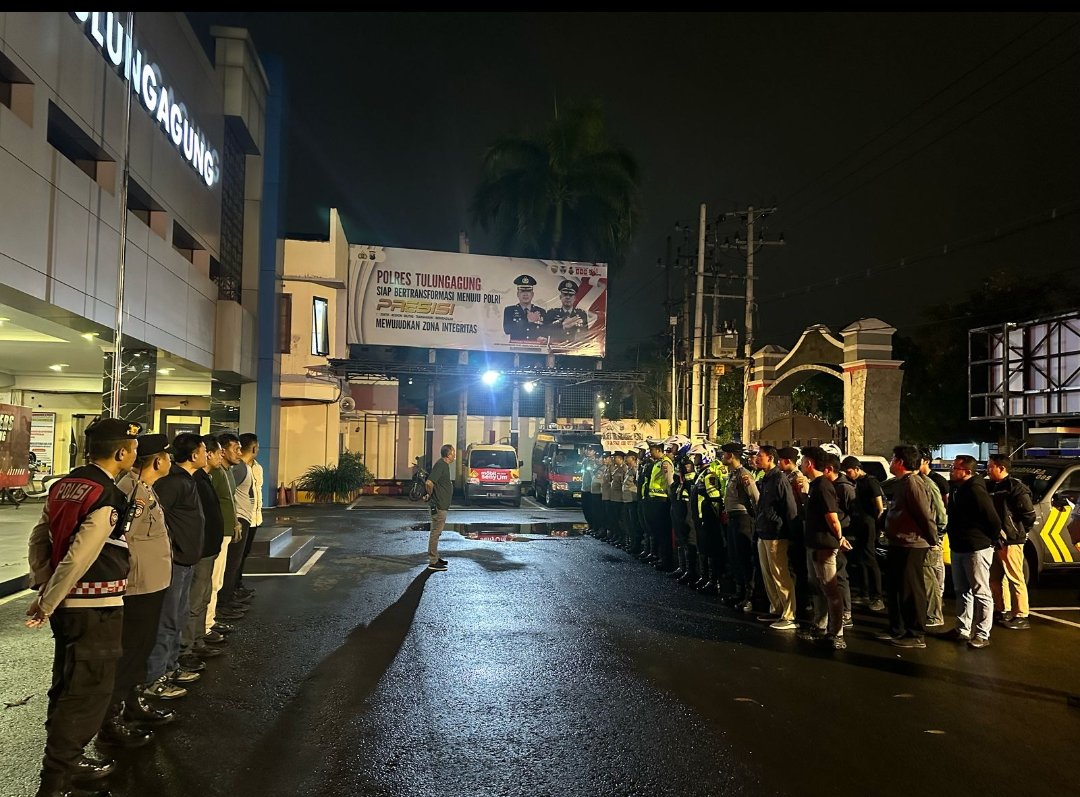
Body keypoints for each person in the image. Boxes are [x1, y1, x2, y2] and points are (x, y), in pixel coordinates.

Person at [26, 416, 141, 797]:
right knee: (87, 691)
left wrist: (45, 587)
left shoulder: (64, 484)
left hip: (68, 608)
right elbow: (81, 555)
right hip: (96, 605)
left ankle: (64, 766)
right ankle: (57, 780)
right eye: (133, 448)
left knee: (66, 683)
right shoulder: (107, 495)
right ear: (121, 451)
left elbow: (39, 538)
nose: (135, 453)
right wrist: (48, 600)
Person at [99, 433, 176, 751]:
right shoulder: (131, 492)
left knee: (140, 649)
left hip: (151, 583)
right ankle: (111, 720)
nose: (169, 462)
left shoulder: (143, 489)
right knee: (129, 651)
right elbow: (119, 537)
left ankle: (133, 703)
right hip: (138, 585)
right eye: (167, 456)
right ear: (158, 461)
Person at [145, 433, 206, 700]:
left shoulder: (184, 480)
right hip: (175, 562)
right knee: (166, 621)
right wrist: (175, 548)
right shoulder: (173, 484)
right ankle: (155, 678)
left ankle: (169, 669)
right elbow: (156, 521)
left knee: (176, 619)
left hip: (184, 561)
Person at [878, 445, 936, 649]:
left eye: (893, 459)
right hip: (898, 543)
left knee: (911, 589)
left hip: (912, 544)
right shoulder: (901, 483)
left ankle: (916, 633)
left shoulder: (913, 483)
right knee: (895, 588)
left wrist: (933, 540)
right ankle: (898, 628)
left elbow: (924, 514)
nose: (891, 462)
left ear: (901, 462)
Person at [178, 437, 228, 674]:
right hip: (199, 550)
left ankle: (198, 639)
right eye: (211, 452)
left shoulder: (202, 478)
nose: (217, 456)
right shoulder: (191, 481)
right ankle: (186, 648)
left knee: (204, 595)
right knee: (194, 600)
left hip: (208, 549)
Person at [942, 455, 1002, 649]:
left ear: (967, 471)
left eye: (955, 468)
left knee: (980, 591)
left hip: (976, 547)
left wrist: (990, 539)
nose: (952, 470)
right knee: (962, 590)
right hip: (959, 546)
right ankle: (962, 628)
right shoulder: (958, 488)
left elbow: (992, 519)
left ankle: (983, 633)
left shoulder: (975, 490)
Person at [796, 446, 851, 650]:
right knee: (817, 587)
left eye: (803, 461)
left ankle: (836, 633)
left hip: (824, 546)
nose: (801, 464)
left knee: (830, 588)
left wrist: (840, 537)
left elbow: (832, 517)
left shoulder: (823, 486)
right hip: (813, 544)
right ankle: (820, 626)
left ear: (809, 463)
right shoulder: (813, 486)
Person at [986, 454, 1036, 630]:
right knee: (995, 578)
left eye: (991, 466)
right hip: (995, 540)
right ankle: (1002, 610)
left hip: (1011, 540)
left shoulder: (1014, 487)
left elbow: (1029, 514)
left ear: (1001, 468)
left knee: (1015, 577)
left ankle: (1022, 614)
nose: (988, 469)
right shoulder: (990, 486)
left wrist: (1017, 533)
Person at [752, 445, 798, 630]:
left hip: (776, 534)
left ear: (770, 458)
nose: (756, 458)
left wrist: (792, 533)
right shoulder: (766, 478)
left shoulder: (780, 479)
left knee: (780, 574)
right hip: (763, 532)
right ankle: (776, 609)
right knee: (768, 574)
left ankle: (789, 615)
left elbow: (789, 508)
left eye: (760, 456)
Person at [841, 456, 886, 612]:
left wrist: (879, 527)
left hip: (869, 523)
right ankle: (863, 592)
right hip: (858, 523)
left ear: (857, 469)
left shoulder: (870, 482)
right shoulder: (856, 482)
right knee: (860, 558)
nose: (848, 474)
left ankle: (877, 596)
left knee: (870, 558)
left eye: (849, 471)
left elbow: (879, 506)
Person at [720, 442, 758, 611]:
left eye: (724, 454)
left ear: (731, 456)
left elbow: (755, 498)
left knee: (744, 557)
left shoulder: (744, 475)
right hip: (733, 519)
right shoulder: (733, 474)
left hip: (743, 519)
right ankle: (739, 591)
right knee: (734, 556)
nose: (722, 457)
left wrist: (754, 518)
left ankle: (749, 597)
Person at [918, 450, 949, 629]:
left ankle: (936, 611)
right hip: (928, 534)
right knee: (930, 572)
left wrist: (938, 533)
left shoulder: (935, 482)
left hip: (934, 535)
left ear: (926, 461)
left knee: (934, 572)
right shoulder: (920, 481)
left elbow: (942, 508)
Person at [234, 433, 263, 601]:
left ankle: (238, 584)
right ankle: (232, 588)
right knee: (236, 556)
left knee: (244, 553)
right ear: (253, 447)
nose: (258, 449)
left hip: (255, 517)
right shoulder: (238, 467)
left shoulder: (257, 467)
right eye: (257, 446)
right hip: (241, 517)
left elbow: (257, 492)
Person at [425, 444, 455, 571]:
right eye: (453, 453)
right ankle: (433, 561)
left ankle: (436, 557)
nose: (455, 455)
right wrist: (431, 494)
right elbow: (429, 482)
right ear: (448, 454)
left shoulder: (444, 465)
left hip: (442, 504)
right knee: (436, 533)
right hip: (439, 505)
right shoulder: (441, 465)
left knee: (437, 532)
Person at [502, 274, 547, 342]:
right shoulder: (509, 310)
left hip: (535, 349)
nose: (525, 294)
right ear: (518, 294)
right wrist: (527, 320)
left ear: (532, 294)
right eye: (522, 291)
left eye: (528, 291)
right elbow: (507, 330)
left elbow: (546, 331)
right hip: (516, 349)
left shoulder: (541, 311)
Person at [544, 279, 589, 345]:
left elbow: (585, 336)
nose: (568, 297)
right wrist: (561, 325)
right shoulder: (552, 313)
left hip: (575, 350)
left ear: (575, 298)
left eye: (570, 295)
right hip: (556, 348)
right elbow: (545, 331)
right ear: (560, 297)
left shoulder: (581, 314)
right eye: (565, 294)